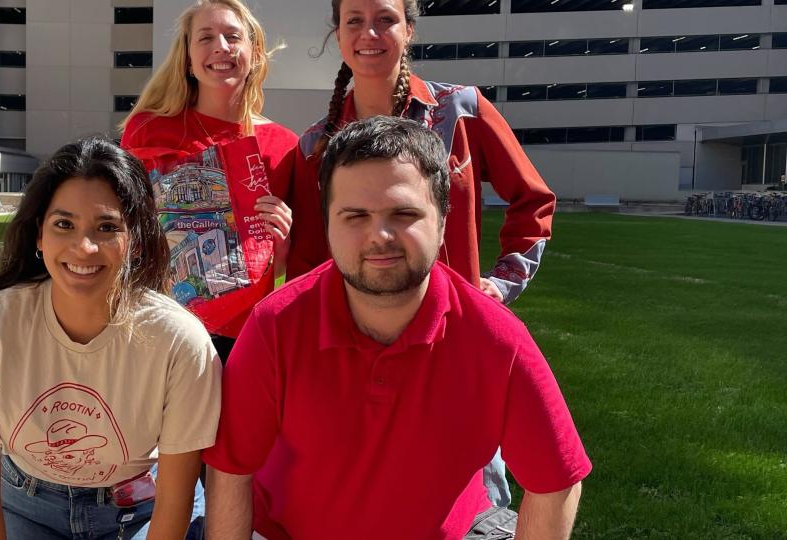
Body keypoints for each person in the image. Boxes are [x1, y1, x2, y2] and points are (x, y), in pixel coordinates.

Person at [203, 116, 591, 539]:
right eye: (355, 216)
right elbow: (230, 470)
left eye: (403, 213)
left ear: (442, 220)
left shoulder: (495, 338)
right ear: (326, 224)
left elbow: (557, 480)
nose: (380, 235)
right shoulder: (276, 325)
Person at [286, 0, 559, 509]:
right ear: (338, 34)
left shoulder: (462, 110)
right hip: (361, 356)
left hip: (458, 343)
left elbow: (533, 201)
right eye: (355, 20)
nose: (371, 32)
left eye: (386, 18)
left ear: (409, 29)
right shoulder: (315, 147)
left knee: (479, 498)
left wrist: (499, 285)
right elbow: (309, 263)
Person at [0, 138, 220, 539]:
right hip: (24, 503)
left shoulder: (179, 342)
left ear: (133, 239)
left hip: (142, 509)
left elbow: (175, 497)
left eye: (106, 228)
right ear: (38, 235)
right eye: (64, 224)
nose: (84, 248)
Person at [120, 0, 298, 362]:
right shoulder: (148, 129)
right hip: (157, 321)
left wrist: (283, 241)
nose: (221, 47)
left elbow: (278, 267)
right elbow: (122, 224)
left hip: (243, 334)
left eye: (233, 36)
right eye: (205, 37)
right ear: (187, 58)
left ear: (255, 52)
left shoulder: (285, 146)